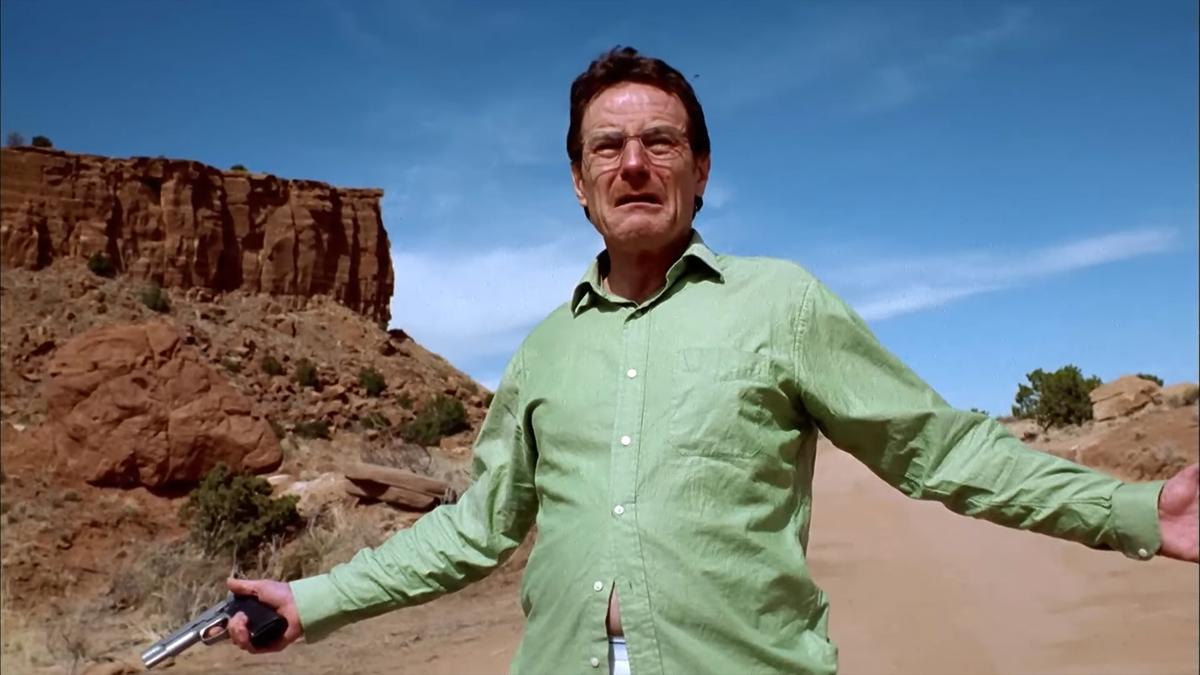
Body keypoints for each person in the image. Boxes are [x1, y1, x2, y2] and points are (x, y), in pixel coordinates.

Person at [226, 46, 1199, 674]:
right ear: (578, 183)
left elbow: (938, 447)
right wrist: (311, 598)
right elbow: (476, 528)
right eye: (608, 147)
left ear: (700, 170)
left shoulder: (781, 304)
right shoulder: (545, 349)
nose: (634, 163)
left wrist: (1136, 510)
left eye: (661, 142)